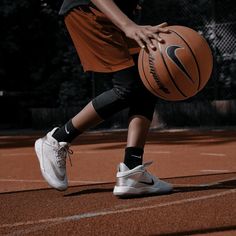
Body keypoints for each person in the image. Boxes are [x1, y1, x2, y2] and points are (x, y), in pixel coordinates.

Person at [35, 0, 173, 197]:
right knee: (129, 88)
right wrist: (128, 25)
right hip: (90, 8)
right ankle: (57, 139)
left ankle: (132, 171)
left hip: (117, 11)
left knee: (147, 84)